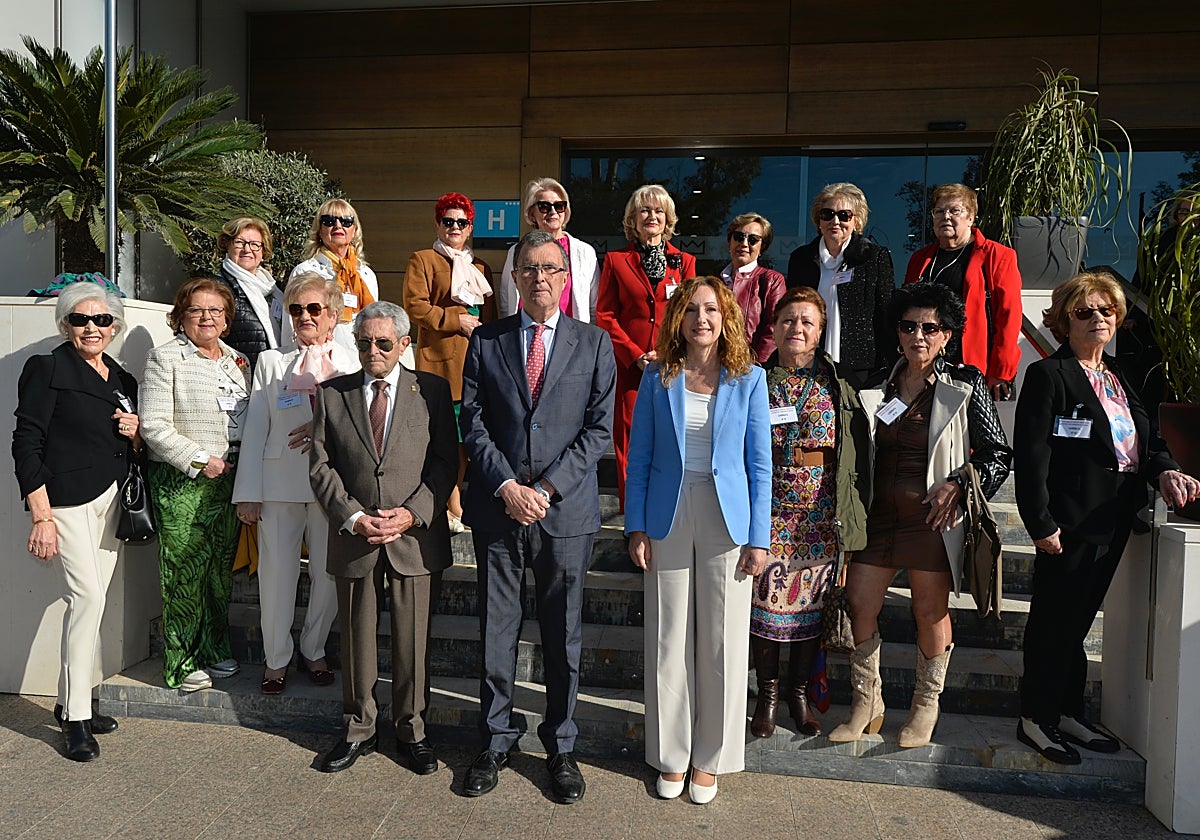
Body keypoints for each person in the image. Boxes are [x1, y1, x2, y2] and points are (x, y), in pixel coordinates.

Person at [1014, 270, 1200, 764]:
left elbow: (1149, 441)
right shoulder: (1049, 375)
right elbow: (1031, 456)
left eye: (1107, 310)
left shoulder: (1121, 373)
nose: (1098, 318)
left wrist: (1166, 471)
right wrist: (1040, 522)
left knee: (1077, 620)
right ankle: (1035, 716)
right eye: (1085, 311)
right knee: (1054, 619)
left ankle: (1067, 711)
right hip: (1068, 519)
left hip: (1114, 516)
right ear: (1064, 321)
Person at [459, 229, 616, 804]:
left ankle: (561, 746)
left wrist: (544, 489)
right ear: (515, 277)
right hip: (499, 509)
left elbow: (599, 429)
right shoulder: (487, 340)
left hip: (564, 512)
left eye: (551, 268)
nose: (540, 277)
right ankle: (496, 739)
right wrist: (507, 486)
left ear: (566, 278)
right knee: (496, 630)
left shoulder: (594, 343)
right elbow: (472, 420)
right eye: (530, 268)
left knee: (562, 634)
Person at [832, 282, 1011, 747]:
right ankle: (867, 701)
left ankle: (925, 705)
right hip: (877, 516)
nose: (919, 336)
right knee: (860, 604)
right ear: (897, 332)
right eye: (909, 326)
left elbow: (997, 454)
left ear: (947, 335)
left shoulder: (965, 384)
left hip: (933, 520)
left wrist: (960, 485)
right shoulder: (878, 383)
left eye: (930, 328)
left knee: (929, 611)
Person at [625, 276, 771, 803]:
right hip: (667, 513)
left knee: (722, 640)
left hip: (726, 517)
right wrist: (636, 526)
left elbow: (760, 464)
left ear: (726, 316)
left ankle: (711, 759)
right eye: (690, 310)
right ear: (678, 320)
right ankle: (671, 756)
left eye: (710, 309)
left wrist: (759, 538)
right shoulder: (658, 376)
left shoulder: (749, 378)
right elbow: (640, 456)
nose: (701, 319)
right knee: (668, 637)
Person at [308, 300, 457, 774]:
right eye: (364, 342)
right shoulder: (332, 394)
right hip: (357, 537)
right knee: (356, 642)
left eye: (383, 343)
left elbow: (446, 462)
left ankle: (412, 730)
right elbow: (321, 465)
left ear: (404, 344)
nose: (373, 350)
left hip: (414, 539)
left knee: (413, 643)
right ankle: (359, 729)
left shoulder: (432, 391)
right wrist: (351, 516)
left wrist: (413, 514)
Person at [12, 282, 141, 761]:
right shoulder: (46, 368)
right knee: (86, 598)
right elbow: (26, 442)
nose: (92, 327)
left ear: (114, 326)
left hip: (111, 501)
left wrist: (136, 433)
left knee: (92, 603)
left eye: (102, 320)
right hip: (64, 503)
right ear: (66, 324)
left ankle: (71, 701)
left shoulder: (122, 378)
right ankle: (77, 721)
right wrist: (41, 515)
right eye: (81, 319)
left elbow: (128, 444)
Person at [749, 287, 871, 739]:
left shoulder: (838, 383)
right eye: (788, 320)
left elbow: (857, 454)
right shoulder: (755, 380)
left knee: (810, 611)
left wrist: (853, 520)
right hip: (768, 513)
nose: (796, 328)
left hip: (819, 517)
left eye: (807, 322)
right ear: (774, 327)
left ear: (820, 332)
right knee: (765, 610)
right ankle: (767, 695)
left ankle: (798, 695)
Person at [231, 274, 360, 695]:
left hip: (334, 487)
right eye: (296, 309)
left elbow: (362, 426)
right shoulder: (272, 362)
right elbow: (256, 427)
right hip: (278, 484)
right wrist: (248, 493)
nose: (305, 316)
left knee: (328, 576)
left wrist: (322, 426)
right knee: (275, 577)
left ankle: (314, 648)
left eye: (314, 308)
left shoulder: (352, 362)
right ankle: (276, 658)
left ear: (333, 315)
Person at [140, 279, 251, 692]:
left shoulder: (238, 360)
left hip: (231, 479)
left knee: (219, 572)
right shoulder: (165, 358)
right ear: (181, 316)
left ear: (227, 318)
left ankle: (213, 648)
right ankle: (181, 661)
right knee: (184, 571)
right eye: (196, 310)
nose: (207, 317)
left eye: (215, 310)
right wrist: (200, 460)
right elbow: (153, 425)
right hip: (183, 481)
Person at [403, 191, 498, 535]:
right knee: (444, 439)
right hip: (440, 364)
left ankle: (454, 500)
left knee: (468, 439)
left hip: (475, 364)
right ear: (438, 224)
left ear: (470, 227)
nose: (455, 227)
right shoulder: (423, 259)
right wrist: (455, 320)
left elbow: (491, 318)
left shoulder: (480, 267)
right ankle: (450, 503)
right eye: (448, 221)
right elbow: (415, 306)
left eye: (462, 222)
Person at [596, 184, 696, 507]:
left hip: (672, 365)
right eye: (645, 210)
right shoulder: (616, 261)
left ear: (668, 218)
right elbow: (605, 315)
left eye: (658, 211)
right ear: (633, 219)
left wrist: (668, 351)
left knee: (671, 437)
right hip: (631, 369)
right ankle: (633, 514)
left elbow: (690, 313)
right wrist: (635, 354)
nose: (652, 216)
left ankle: (668, 507)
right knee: (629, 440)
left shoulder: (685, 262)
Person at [904, 183, 1022, 401]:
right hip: (925, 364)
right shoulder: (919, 259)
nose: (945, 217)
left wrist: (1001, 370)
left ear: (971, 217)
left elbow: (1008, 316)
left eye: (954, 210)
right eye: (939, 211)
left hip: (972, 364)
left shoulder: (998, 256)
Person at [787, 183, 895, 384]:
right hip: (808, 361)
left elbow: (886, 315)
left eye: (844, 215)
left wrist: (886, 367)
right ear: (819, 220)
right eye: (827, 214)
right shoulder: (801, 259)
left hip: (861, 367)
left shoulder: (873, 257)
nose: (835, 221)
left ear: (856, 221)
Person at [498, 177, 600, 323]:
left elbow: (594, 305)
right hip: (524, 332)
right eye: (544, 206)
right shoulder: (517, 251)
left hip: (571, 334)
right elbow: (506, 300)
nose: (553, 212)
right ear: (532, 213)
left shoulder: (584, 253)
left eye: (559, 206)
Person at [289, 198, 379, 351]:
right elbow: (291, 327)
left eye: (346, 221)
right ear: (319, 230)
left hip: (359, 357)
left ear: (354, 230)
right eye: (329, 221)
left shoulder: (366, 274)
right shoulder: (304, 272)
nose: (338, 225)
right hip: (317, 357)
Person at [211, 216, 283, 371]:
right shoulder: (217, 288)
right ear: (227, 245)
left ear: (263, 251)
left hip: (277, 376)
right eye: (239, 242)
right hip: (240, 378)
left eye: (255, 244)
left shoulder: (274, 290)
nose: (247, 249)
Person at [721, 212, 786, 363]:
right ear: (730, 241)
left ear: (762, 247)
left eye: (753, 240)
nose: (744, 244)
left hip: (752, 367)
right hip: (713, 367)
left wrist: (753, 366)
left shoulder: (772, 280)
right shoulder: (715, 281)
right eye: (738, 237)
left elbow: (775, 328)